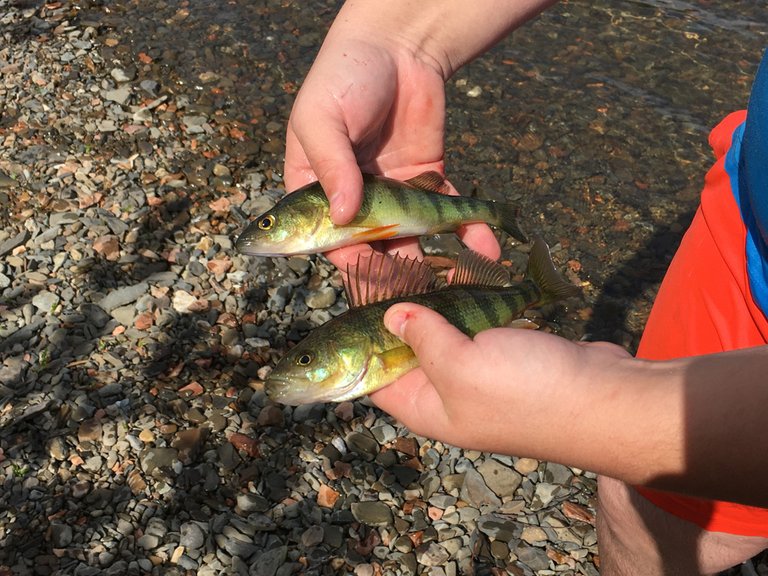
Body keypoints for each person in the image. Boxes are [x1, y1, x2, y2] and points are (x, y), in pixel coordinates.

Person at [283, 1, 768, 573]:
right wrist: (398, 39)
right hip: (744, 218)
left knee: (678, 490)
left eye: (311, 358)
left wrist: (591, 408)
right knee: (646, 506)